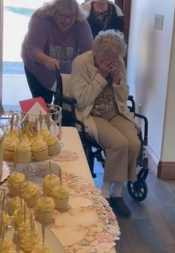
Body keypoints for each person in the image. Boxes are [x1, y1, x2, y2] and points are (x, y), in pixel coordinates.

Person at [68, 30, 141, 217]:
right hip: (92, 114)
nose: (111, 61)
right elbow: (81, 99)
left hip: (115, 112)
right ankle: (106, 194)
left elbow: (123, 98)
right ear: (96, 53)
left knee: (134, 143)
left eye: (115, 58)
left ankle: (117, 193)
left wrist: (117, 78)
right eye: (105, 58)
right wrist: (101, 75)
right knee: (119, 143)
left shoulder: (119, 62)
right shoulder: (82, 63)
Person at [21, 0, 93, 104]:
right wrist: (46, 60)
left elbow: (89, 50)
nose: (68, 21)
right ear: (54, 12)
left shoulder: (80, 21)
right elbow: (33, 47)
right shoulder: (41, 17)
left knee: (64, 104)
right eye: (63, 16)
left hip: (66, 69)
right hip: (37, 65)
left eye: (71, 17)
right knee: (42, 103)